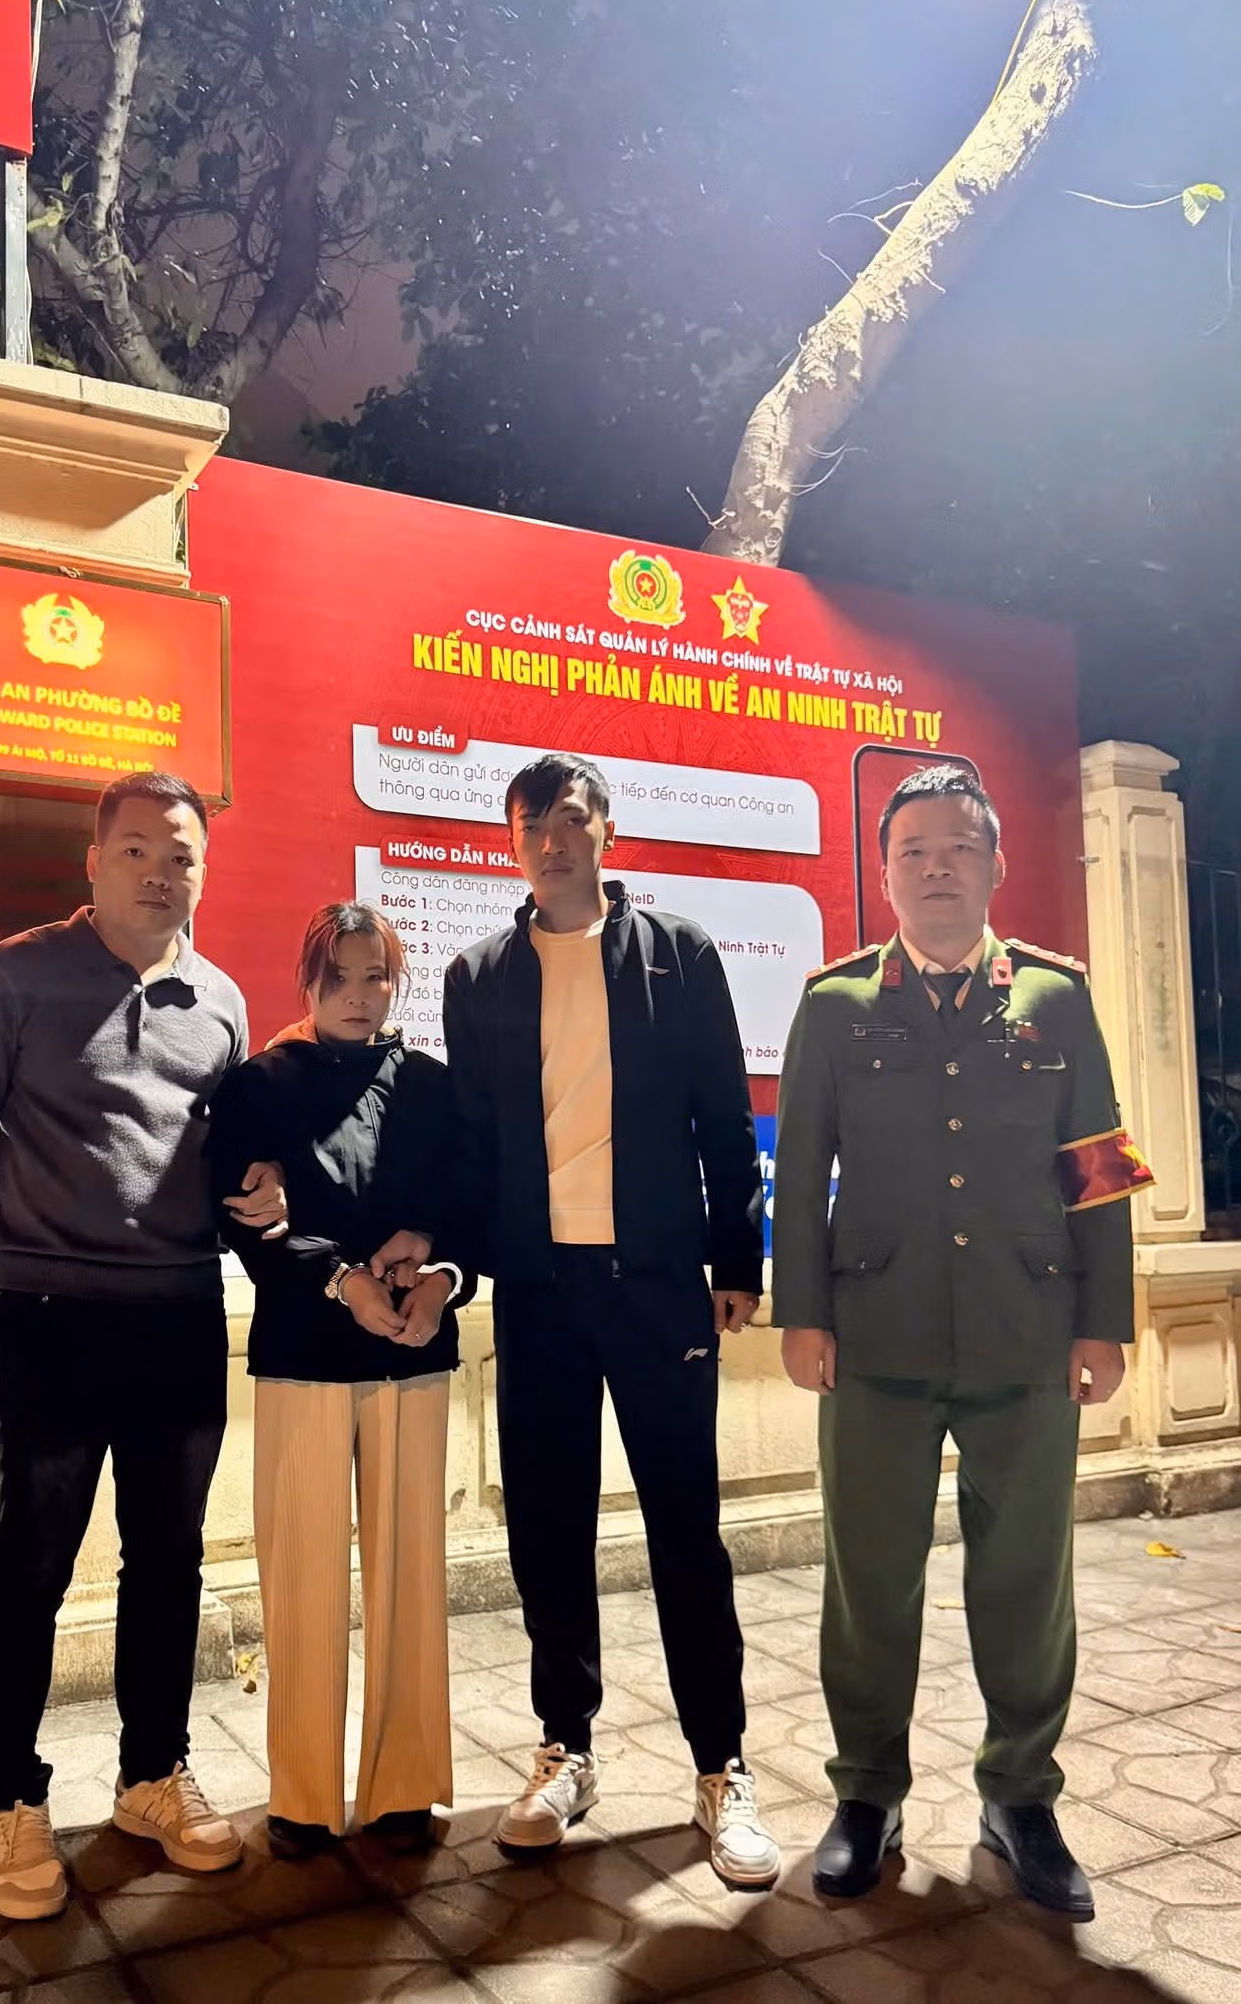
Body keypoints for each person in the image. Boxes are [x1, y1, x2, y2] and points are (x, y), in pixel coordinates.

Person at [773, 763, 1150, 1921]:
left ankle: (1020, 1796)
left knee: (1027, 1578)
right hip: (875, 1337)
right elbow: (800, 1172)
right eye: (914, 851)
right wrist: (802, 1311)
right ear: (884, 873)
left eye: (958, 848)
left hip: (1025, 1332)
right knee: (869, 1580)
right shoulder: (835, 1003)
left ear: (995, 864)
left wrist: (1104, 1319)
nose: (936, 868)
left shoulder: (1056, 998)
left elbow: (1099, 1171)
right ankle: (866, 1794)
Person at [0, 770, 286, 1922]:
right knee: (31, 1562)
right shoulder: (16, 975)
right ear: (94, 859)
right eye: (135, 849)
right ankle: (12, 1799)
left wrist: (272, 1195)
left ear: (202, 872)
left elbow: (231, 1166)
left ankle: (150, 1776)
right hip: (51, 1318)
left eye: (180, 854)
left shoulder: (221, 1002)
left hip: (179, 1315)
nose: (158, 871)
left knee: (168, 1562)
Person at [406, 751, 779, 1883]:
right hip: (541, 1293)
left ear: (606, 832)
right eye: (530, 823)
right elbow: (471, 1145)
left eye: (569, 818)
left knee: (685, 1531)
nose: (551, 839)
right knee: (548, 1530)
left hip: (658, 1286)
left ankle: (721, 1765)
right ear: (512, 844)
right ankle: (564, 1747)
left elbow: (725, 1115)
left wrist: (736, 1259)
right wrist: (458, 1264)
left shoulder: (678, 953)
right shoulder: (478, 975)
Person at [206, 902, 473, 1859]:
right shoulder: (259, 1085)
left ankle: (403, 1790)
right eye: (338, 980)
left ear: (396, 982)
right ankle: (304, 1796)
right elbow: (245, 1218)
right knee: (301, 1579)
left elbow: (469, 1204)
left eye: (376, 978)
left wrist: (440, 1272)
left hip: (412, 1349)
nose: (359, 997)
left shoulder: (435, 1087)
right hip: (302, 1356)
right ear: (307, 984)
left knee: (410, 1576)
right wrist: (339, 1278)